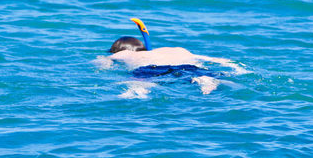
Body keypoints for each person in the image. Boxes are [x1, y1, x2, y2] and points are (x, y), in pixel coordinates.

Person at [97, 18, 249, 97]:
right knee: (199, 75)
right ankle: (205, 81)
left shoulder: (125, 54)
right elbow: (215, 59)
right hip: (190, 67)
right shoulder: (176, 49)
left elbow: (103, 62)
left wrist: (105, 66)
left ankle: (135, 93)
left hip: (151, 70)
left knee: (140, 85)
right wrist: (236, 67)